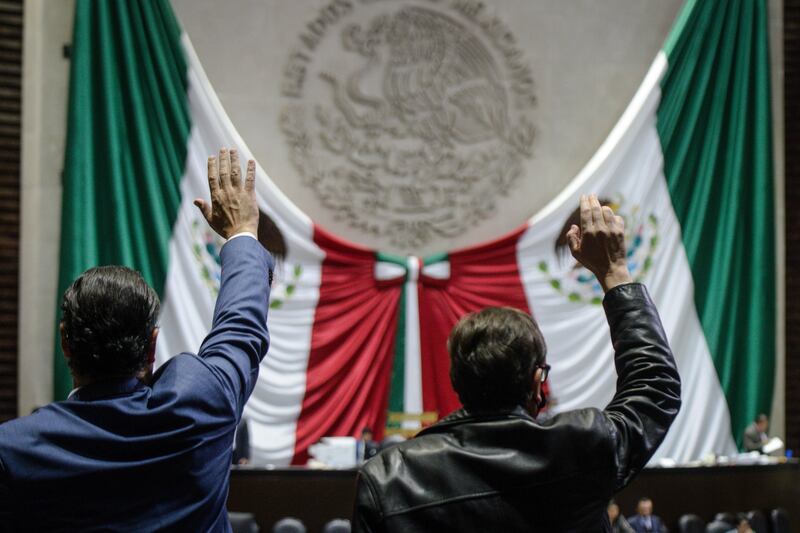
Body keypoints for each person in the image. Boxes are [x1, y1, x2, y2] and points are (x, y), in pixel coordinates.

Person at [353, 195, 682, 531]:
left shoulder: (388, 478)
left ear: (457, 380)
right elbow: (655, 388)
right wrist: (614, 273)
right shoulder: (580, 446)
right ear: (537, 379)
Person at [0, 148, 273, 531]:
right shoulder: (202, 405)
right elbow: (240, 329)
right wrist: (242, 233)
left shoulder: (13, 451)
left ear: (65, 343)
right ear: (152, 345)